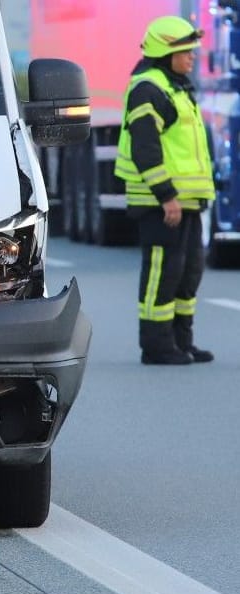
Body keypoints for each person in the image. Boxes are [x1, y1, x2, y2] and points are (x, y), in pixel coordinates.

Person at [115, 16, 215, 365]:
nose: (191, 58)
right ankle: (156, 346)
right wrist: (166, 195)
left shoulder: (176, 87)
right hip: (161, 202)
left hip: (185, 202)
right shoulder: (149, 88)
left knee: (188, 272)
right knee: (163, 272)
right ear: (164, 52)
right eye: (185, 51)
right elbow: (146, 148)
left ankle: (181, 341)